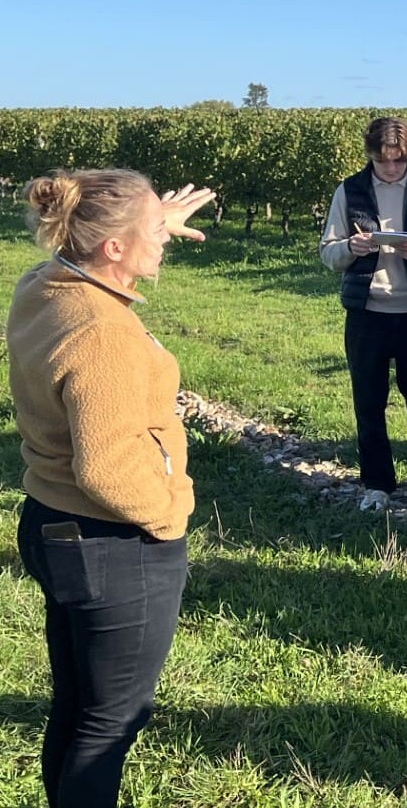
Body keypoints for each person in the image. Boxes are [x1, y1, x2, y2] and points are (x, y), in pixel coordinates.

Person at [8, 171, 214, 808]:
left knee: (77, 708)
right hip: (113, 544)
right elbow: (106, 469)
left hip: (52, 520)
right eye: (153, 232)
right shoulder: (104, 332)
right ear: (113, 248)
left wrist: (149, 222)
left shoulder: (45, 285)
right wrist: (171, 511)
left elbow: (107, 244)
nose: (165, 242)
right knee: (109, 725)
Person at [320, 117, 407, 512]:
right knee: (369, 402)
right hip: (367, 314)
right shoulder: (351, 190)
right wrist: (351, 249)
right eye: (384, 162)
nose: (392, 169)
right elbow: (327, 252)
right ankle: (377, 482)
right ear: (371, 156)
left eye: (399, 161)